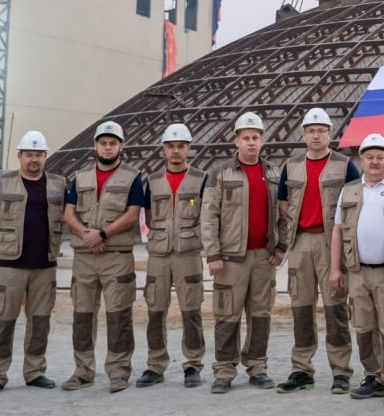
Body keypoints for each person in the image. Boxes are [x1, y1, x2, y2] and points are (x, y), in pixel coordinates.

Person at [275, 107, 361, 395]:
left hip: (330, 243)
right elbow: (283, 201)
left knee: (336, 306)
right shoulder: (291, 165)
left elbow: (356, 199)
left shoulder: (344, 164)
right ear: (303, 134)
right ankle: (301, 369)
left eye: (321, 130)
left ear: (330, 133)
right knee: (301, 306)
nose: (316, 135)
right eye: (311, 130)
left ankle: (340, 371)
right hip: (300, 243)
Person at [330, 133, 384, 408]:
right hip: (357, 272)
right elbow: (337, 229)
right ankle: (373, 377)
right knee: (364, 327)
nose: (375, 161)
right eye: (369, 157)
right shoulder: (349, 190)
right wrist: (336, 268)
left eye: (380, 156)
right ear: (362, 160)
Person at [0, 131, 65, 395]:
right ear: (19, 156)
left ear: (45, 157)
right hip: (9, 267)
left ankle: (35, 371)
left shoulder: (58, 184)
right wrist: (3, 246)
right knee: (4, 320)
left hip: (45, 266)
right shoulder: (4, 183)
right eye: (29, 154)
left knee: (40, 322)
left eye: (39, 155)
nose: (34, 160)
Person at [61, 120, 145, 393]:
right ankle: (83, 370)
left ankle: (119, 371)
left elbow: (133, 214)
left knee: (119, 315)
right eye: (103, 143)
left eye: (113, 143)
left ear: (121, 146)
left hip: (116, 255)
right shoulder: (80, 178)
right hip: (85, 256)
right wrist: (87, 233)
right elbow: (69, 211)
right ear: (94, 146)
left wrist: (103, 234)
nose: (108, 147)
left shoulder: (133, 177)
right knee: (83, 315)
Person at [200, 112, 281, 394]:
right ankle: (224, 370)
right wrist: (213, 254)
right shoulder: (220, 173)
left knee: (260, 314)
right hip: (231, 259)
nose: (250, 142)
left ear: (262, 140)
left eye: (255, 138)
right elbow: (208, 216)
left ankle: (257, 366)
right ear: (236, 140)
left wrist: (280, 247)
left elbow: (285, 213)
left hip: (264, 257)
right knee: (227, 315)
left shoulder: (273, 172)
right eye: (245, 138)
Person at [137, 123, 207, 388]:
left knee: (191, 310)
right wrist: (157, 237)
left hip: (188, 253)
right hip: (159, 254)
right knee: (155, 309)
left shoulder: (201, 179)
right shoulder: (153, 181)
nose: (176, 151)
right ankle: (155, 365)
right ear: (164, 150)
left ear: (188, 149)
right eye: (170, 146)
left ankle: (193, 364)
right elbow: (147, 215)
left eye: (181, 146)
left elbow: (207, 214)